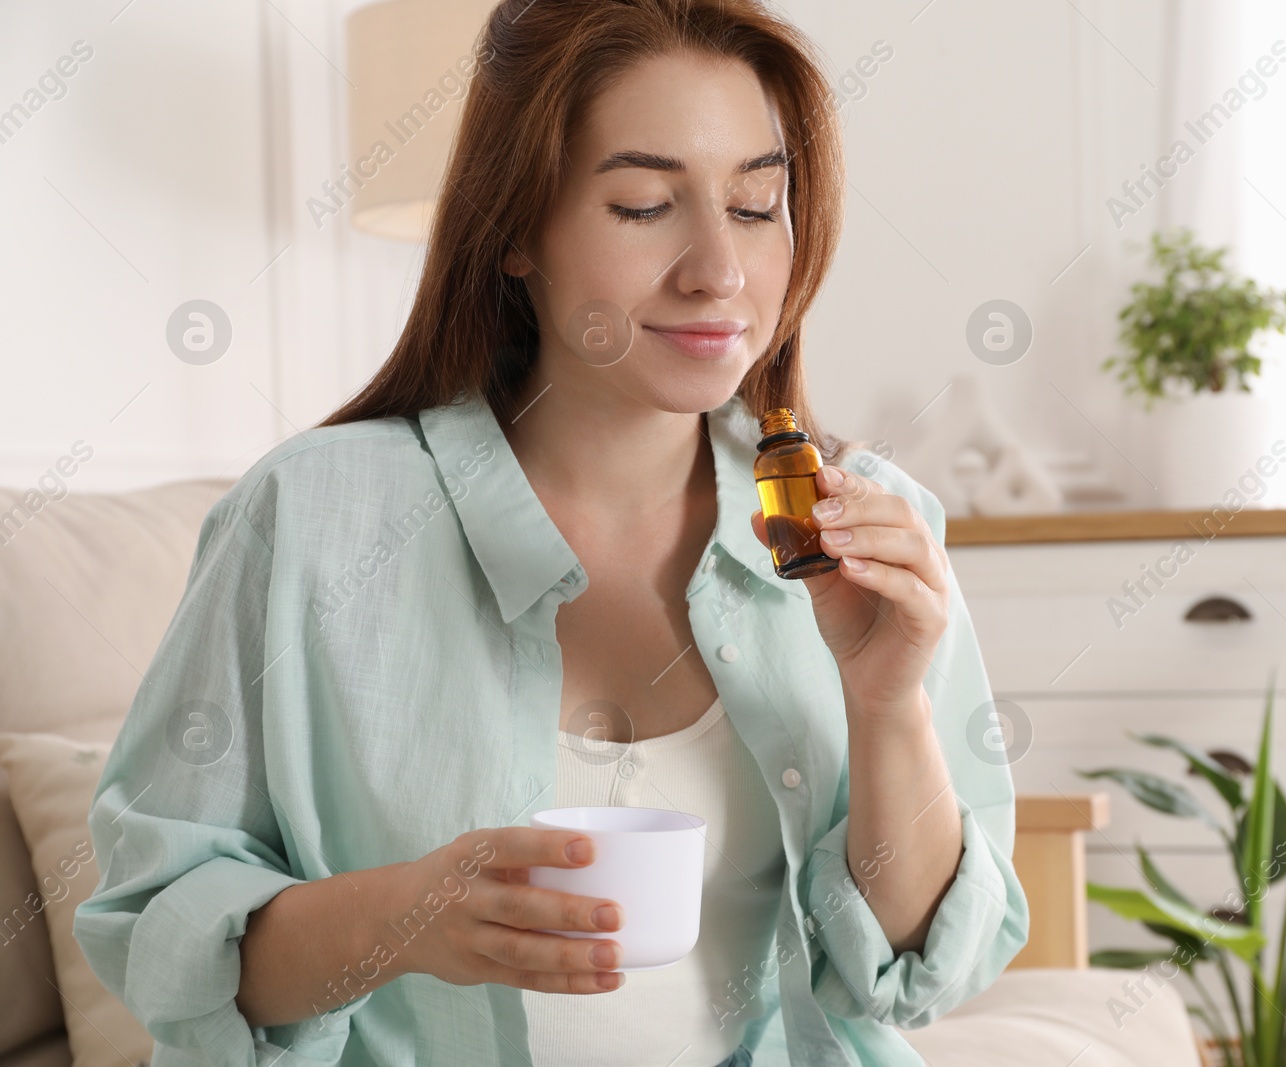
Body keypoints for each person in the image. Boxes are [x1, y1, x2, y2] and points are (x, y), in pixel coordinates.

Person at [72, 1, 1028, 1063]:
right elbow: (159, 933)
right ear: (517, 229)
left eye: (756, 204)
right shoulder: (311, 519)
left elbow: (913, 971)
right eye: (643, 204)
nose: (720, 268)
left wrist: (887, 699)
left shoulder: (868, 525)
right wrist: (406, 916)